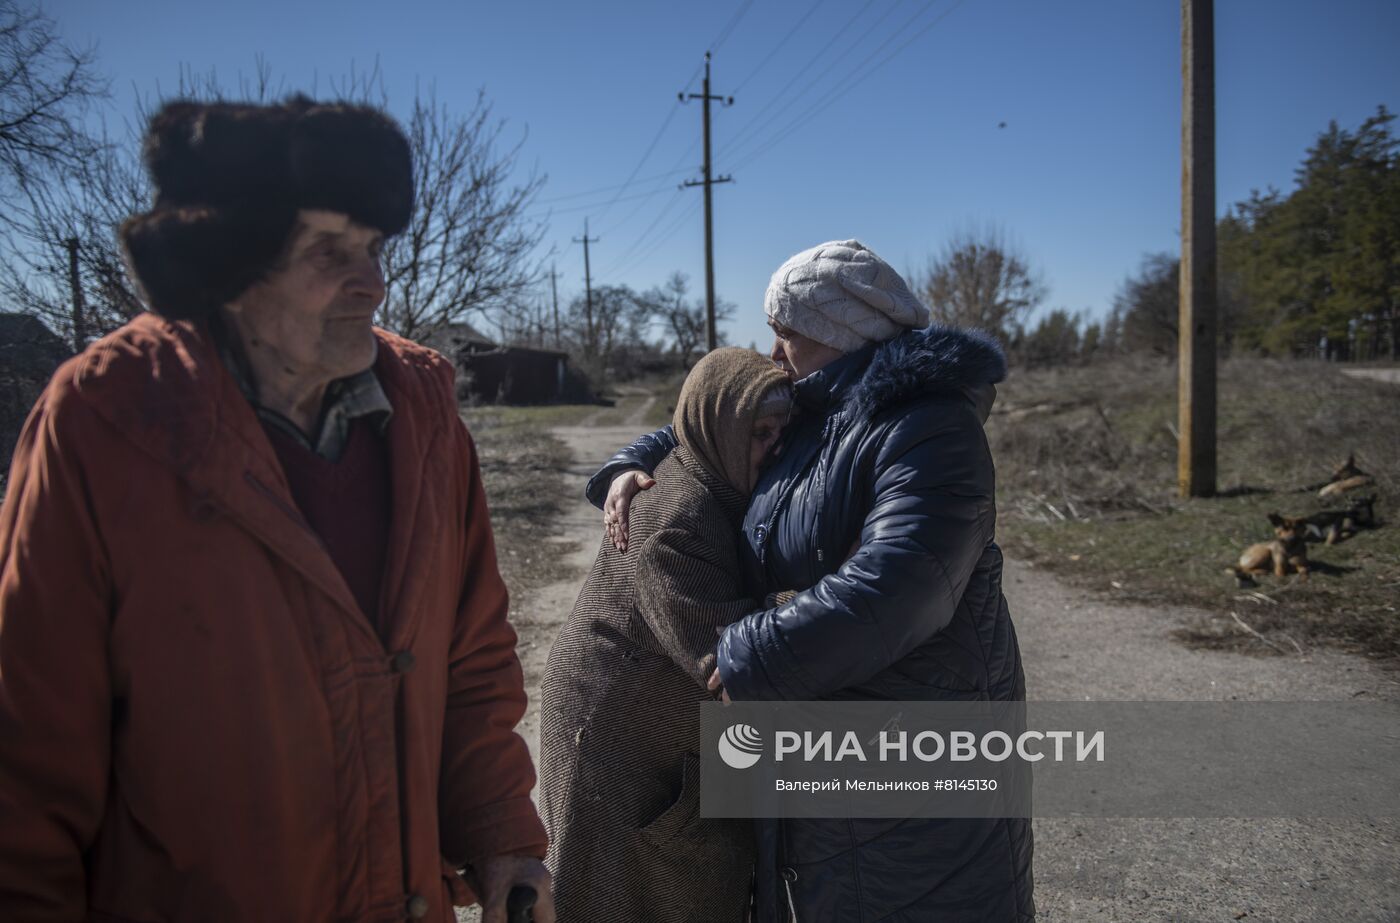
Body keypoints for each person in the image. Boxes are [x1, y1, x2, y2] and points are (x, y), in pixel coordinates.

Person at [0, 97, 554, 923]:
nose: (373, 280)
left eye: (374, 246)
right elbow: (27, 766)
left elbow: (471, 663)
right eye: (329, 251)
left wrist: (501, 831)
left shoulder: (424, 412)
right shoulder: (107, 422)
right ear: (234, 263)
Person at [590, 240, 1034, 922]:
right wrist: (625, 466)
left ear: (837, 333)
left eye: (787, 331)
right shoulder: (813, 413)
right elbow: (709, 421)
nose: (773, 350)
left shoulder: (930, 428)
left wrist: (754, 653)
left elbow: (906, 579)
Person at [541, 347, 792, 922]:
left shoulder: (714, 481)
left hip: (646, 737)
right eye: (759, 432)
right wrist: (830, 593)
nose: (775, 446)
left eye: (784, 431)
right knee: (612, 893)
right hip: (613, 742)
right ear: (717, 427)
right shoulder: (679, 515)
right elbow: (724, 657)